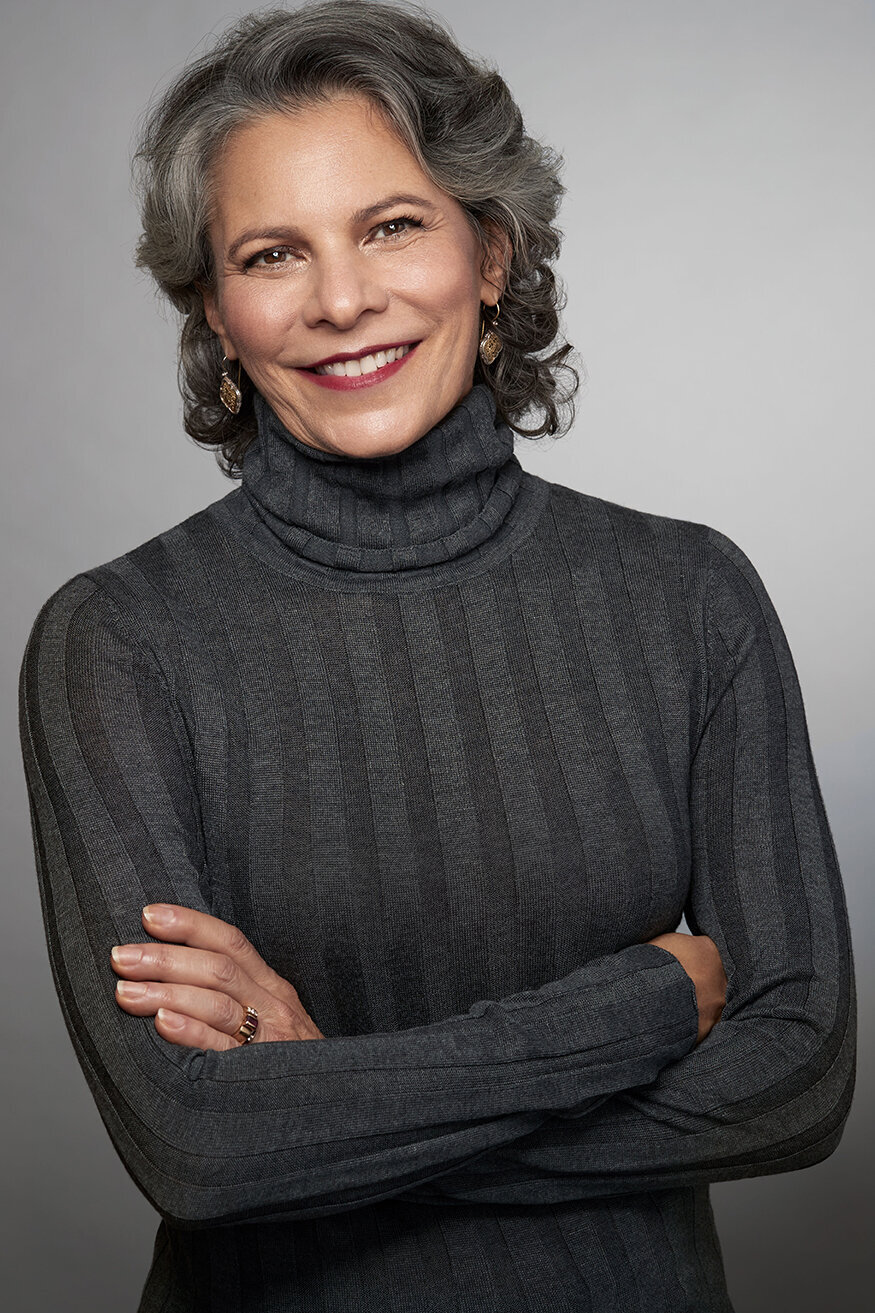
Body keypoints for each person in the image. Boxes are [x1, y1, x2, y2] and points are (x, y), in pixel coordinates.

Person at [17, 3, 855, 1310]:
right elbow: (197, 1144)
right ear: (216, 315)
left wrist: (328, 1092)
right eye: (272, 252)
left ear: (493, 251)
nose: (343, 299)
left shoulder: (691, 598)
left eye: (392, 224)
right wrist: (637, 1004)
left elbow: (798, 1075)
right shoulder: (120, 642)